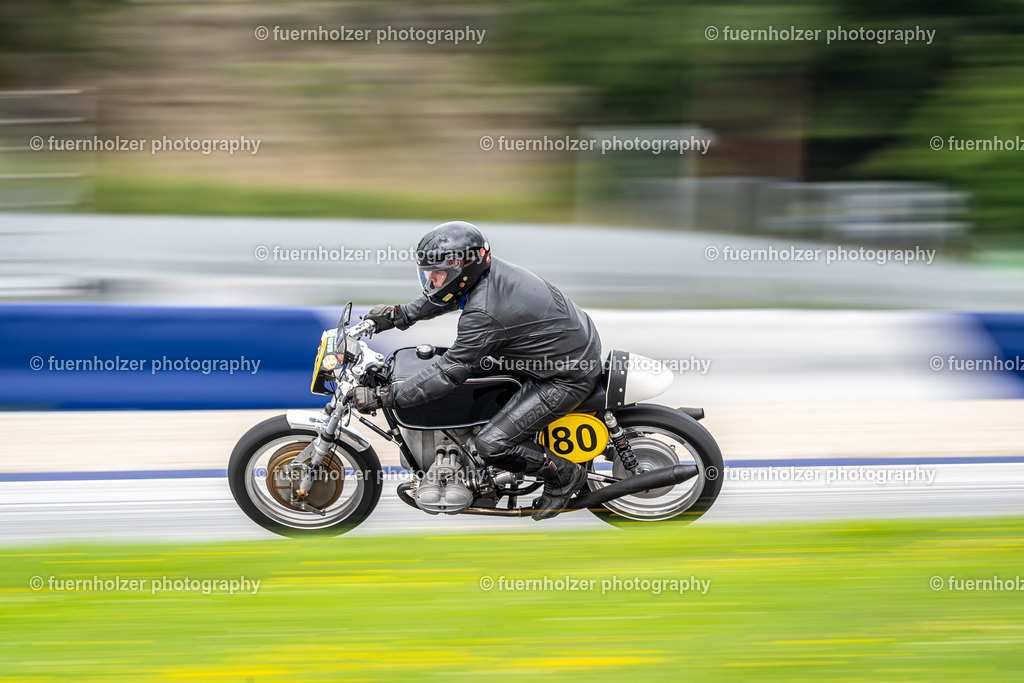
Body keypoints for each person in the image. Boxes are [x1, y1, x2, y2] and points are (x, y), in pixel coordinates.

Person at [352, 221, 603, 520]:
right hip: (558, 348)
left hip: (564, 375)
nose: (431, 279)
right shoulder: (486, 273)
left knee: (491, 443)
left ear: (463, 267)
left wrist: (387, 395)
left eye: (438, 272)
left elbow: (448, 373)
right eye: (427, 271)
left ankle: (563, 474)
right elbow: (449, 293)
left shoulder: (484, 312)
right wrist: (400, 315)